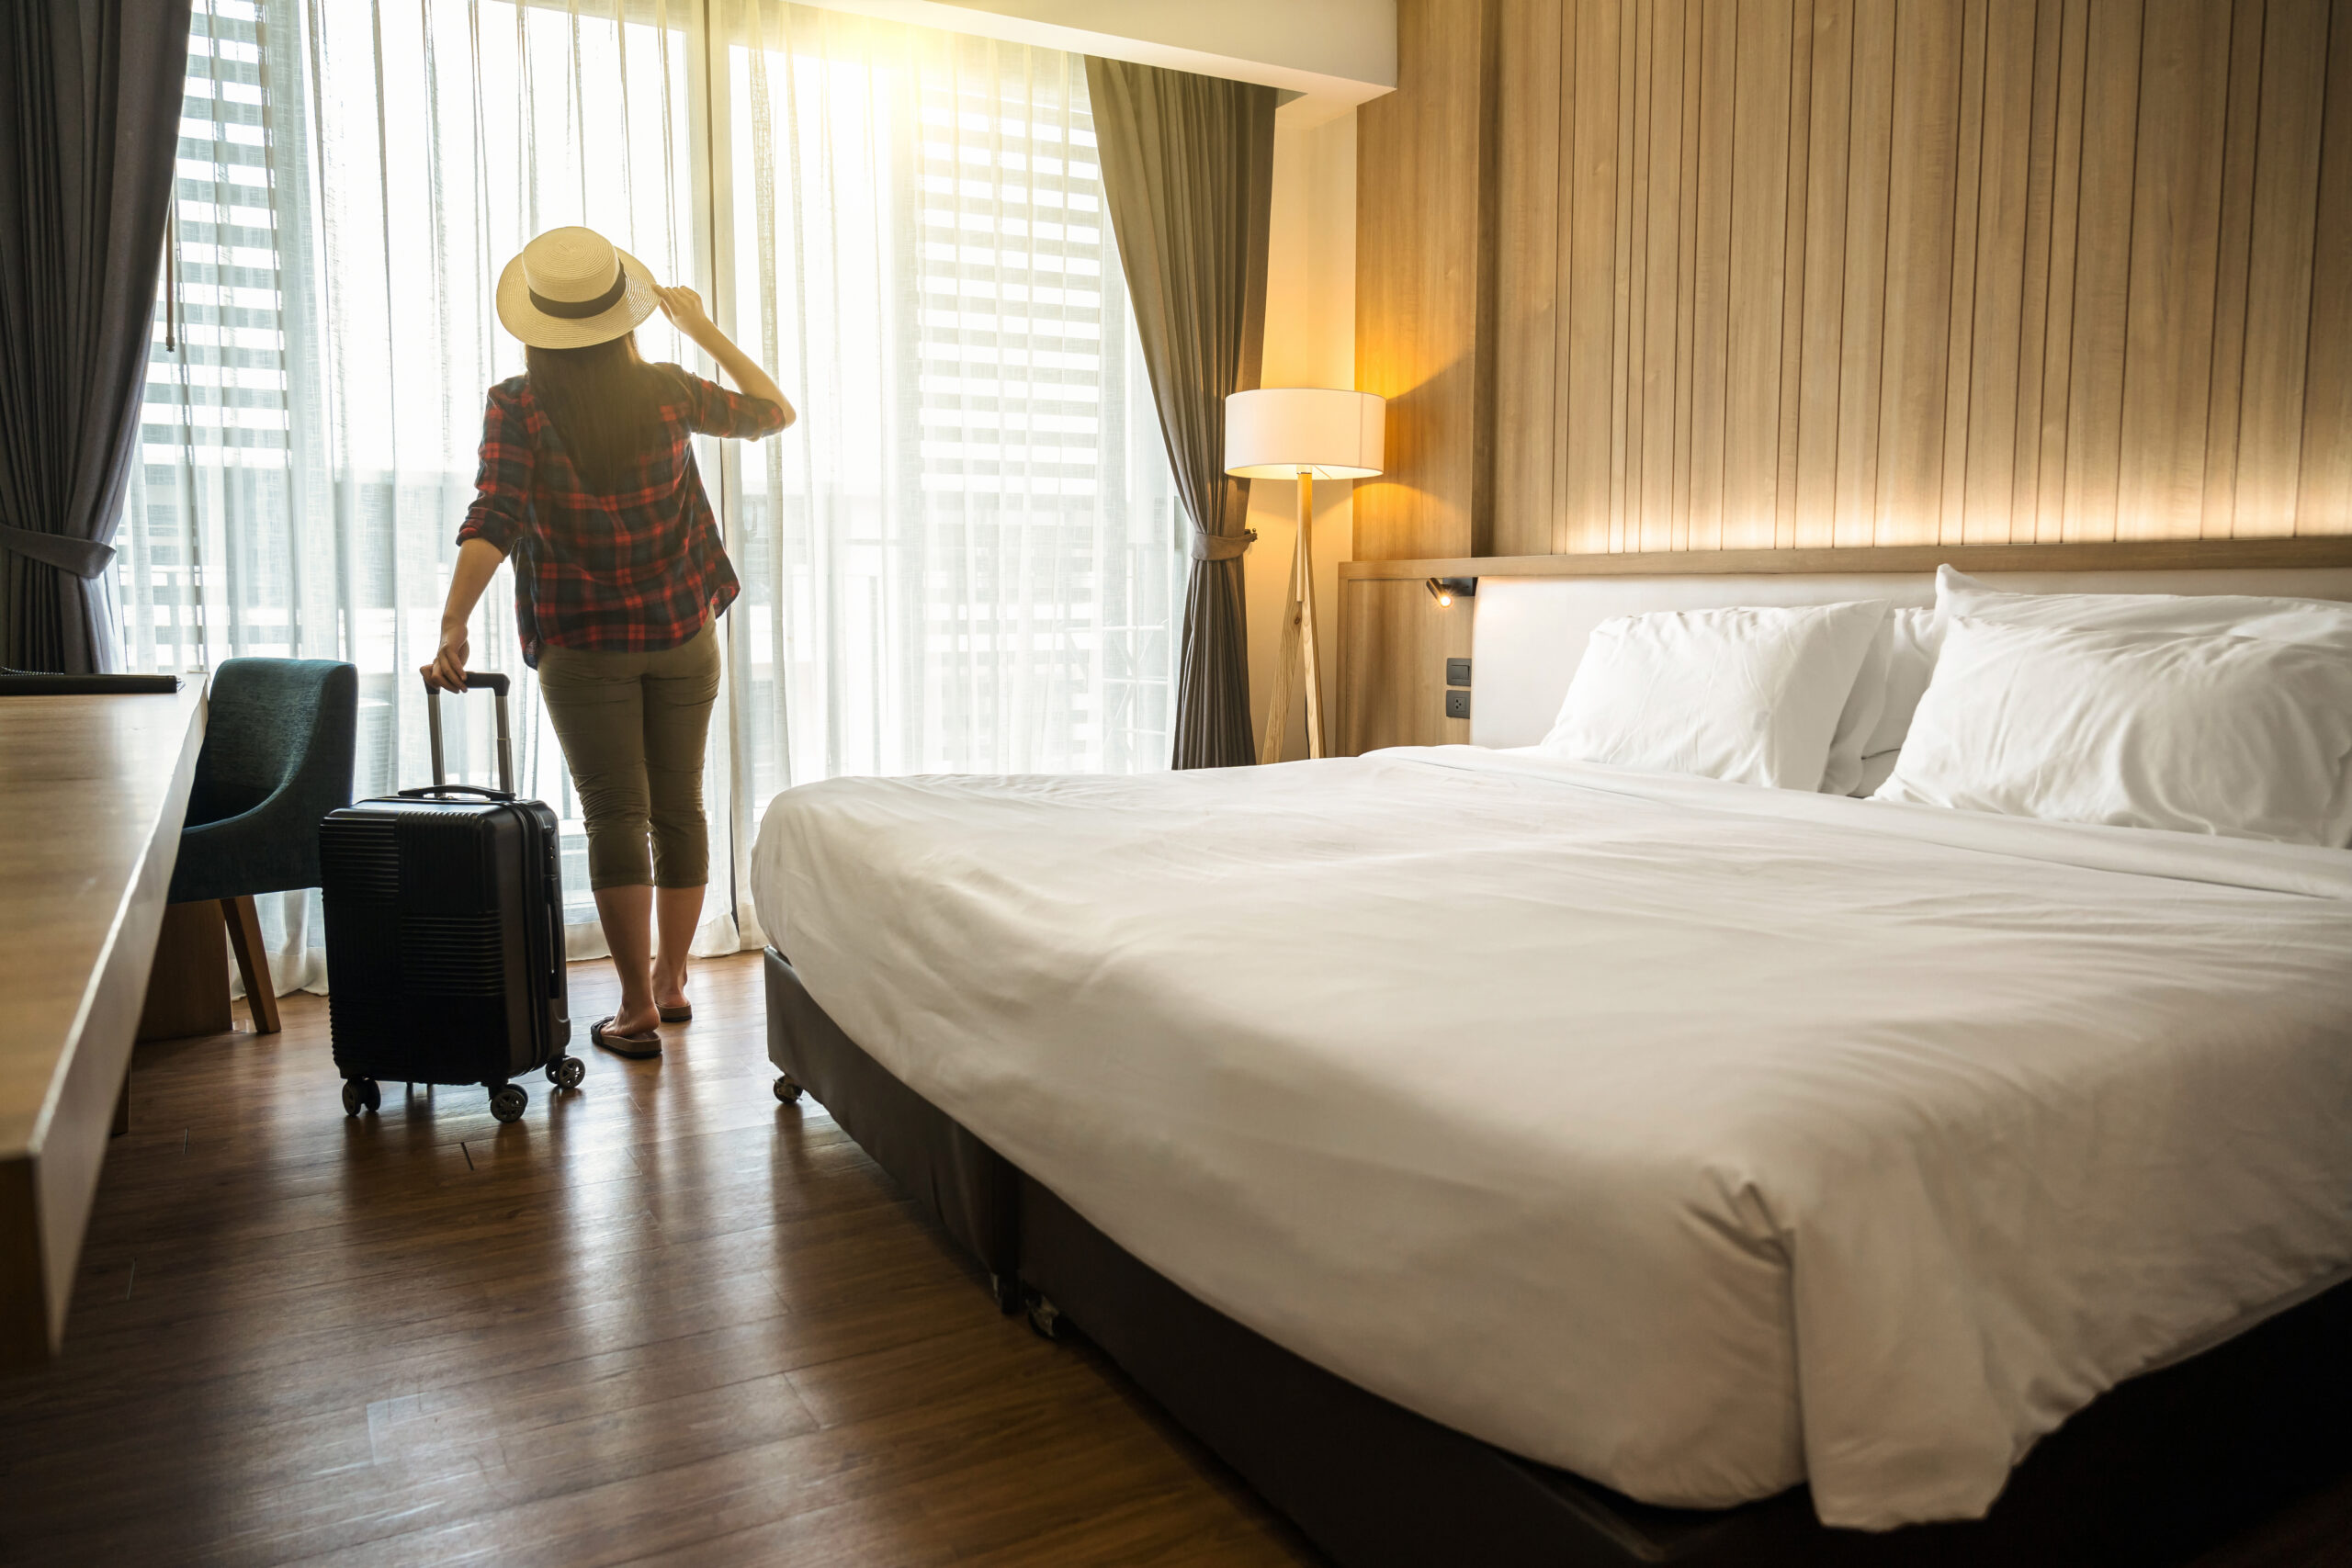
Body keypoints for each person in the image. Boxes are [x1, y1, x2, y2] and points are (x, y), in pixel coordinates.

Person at [424, 225, 793, 1060]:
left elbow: (494, 515)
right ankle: (671, 979)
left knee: (616, 815)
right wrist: (702, 331)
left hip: (582, 642)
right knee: (680, 805)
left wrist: (454, 620)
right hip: (682, 632)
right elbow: (774, 412)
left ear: (536, 327)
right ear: (623, 320)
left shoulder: (518, 403)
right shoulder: (666, 389)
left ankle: (635, 1007)